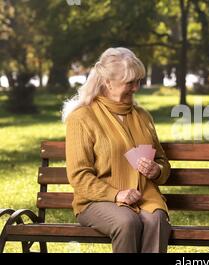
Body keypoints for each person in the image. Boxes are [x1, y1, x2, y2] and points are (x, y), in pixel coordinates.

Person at [62, 47, 171, 253]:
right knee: (127, 221)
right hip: (96, 201)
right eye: (130, 82)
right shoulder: (82, 118)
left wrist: (157, 170)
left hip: (144, 197)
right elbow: (79, 175)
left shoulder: (143, 116)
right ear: (107, 83)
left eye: (138, 81)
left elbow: (163, 161)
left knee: (156, 219)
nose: (136, 88)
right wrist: (116, 195)